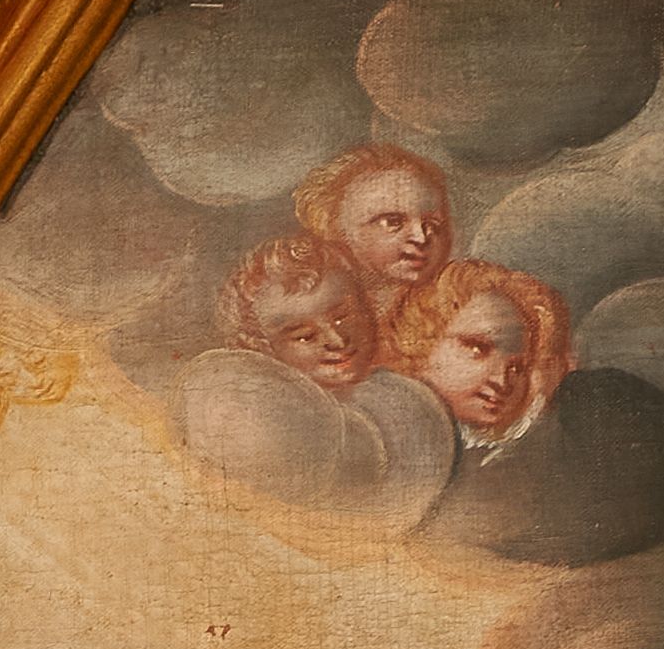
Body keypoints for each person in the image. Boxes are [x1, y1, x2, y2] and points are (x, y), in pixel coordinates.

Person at [384, 259, 570, 451]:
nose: (502, 381)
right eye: (478, 349)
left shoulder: (503, 453)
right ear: (423, 338)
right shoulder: (378, 427)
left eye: (517, 368)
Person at [293, 144, 453, 324]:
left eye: (431, 224)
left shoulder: (455, 313)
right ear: (334, 229)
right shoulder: (312, 321)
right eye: (393, 222)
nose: (421, 237)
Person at [216, 233, 379, 392]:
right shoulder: (264, 406)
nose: (338, 341)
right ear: (262, 348)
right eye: (306, 336)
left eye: (341, 318)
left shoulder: (388, 389)